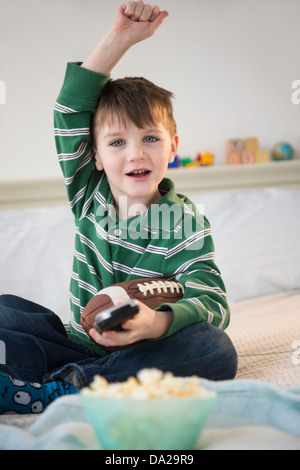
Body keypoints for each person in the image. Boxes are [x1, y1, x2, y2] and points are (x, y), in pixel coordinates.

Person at [0, 2, 237, 415]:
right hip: (73, 342)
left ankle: (67, 388)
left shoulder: (186, 223)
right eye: (116, 142)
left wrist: (155, 323)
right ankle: (69, 376)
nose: (134, 154)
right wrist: (120, 38)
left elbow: (212, 300)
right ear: (93, 155)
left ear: (173, 148)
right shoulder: (88, 194)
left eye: (150, 138)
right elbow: (68, 111)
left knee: (213, 349)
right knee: (8, 310)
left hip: (145, 350)